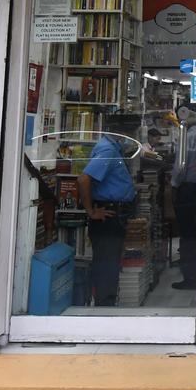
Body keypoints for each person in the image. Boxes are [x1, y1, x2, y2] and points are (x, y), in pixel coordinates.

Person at [77, 122, 138, 307]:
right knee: (107, 265)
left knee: (109, 263)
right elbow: (84, 179)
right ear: (121, 132)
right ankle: (104, 307)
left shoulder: (112, 148)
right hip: (107, 215)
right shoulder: (108, 150)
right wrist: (91, 211)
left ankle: (107, 303)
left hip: (113, 214)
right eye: (130, 134)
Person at [170, 105, 196, 290]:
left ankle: (190, 278)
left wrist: (174, 184)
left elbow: (180, 165)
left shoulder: (188, 135)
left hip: (188, 189)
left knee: (188, 235)